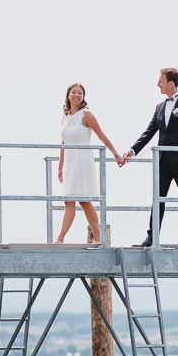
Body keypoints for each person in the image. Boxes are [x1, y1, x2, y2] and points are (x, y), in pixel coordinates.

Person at [121, 67, 178, 246]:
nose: (157, 84)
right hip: (163, 161)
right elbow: (149, 131)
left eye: (161, 81)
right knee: (157, 198)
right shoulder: (160, 107)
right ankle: (152, 237)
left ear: (171, 83)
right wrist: (132, 150)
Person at [57, 83, 124, 244]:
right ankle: (97, 238)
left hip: (82, 162)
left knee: (79, 200)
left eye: (80, 93)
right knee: (76, 201)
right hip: (70, 163)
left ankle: (61, 239)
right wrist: (60, 166)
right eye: (74, 92)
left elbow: (101, 135)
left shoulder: (86, 115)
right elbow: (63, 143)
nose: (77, 95)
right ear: (68, 95)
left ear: (83, 97)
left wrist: (116, 154)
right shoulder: (65, 116)